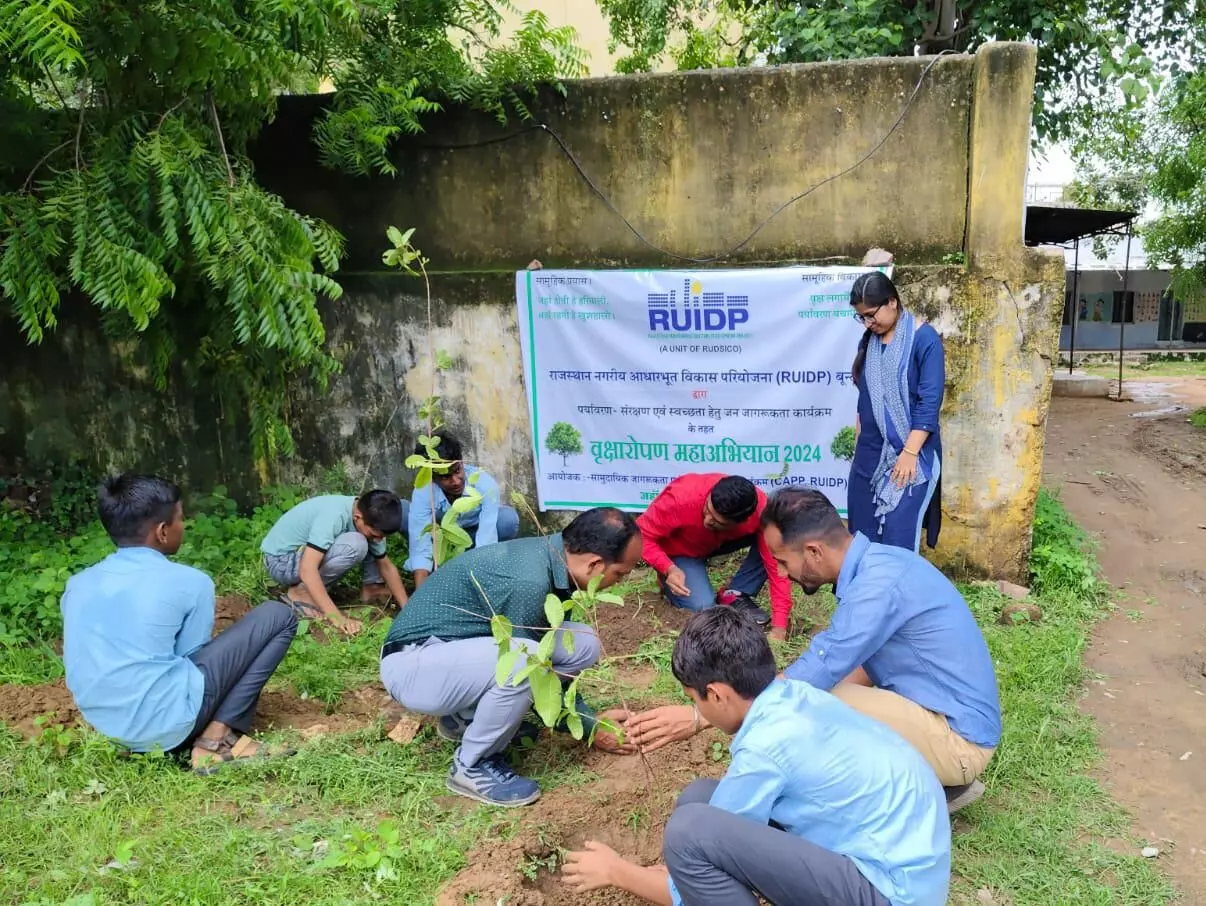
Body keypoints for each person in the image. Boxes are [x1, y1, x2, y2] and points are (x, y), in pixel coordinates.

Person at [561, 606, 950, 906]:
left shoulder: (766, 746)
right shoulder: (795, 696)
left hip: (891, 892)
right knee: (698, 799)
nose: (698, 711)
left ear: (716, 694)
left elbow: (688, 875)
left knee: (688, 832)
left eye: (693, 700)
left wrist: (616, 871)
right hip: (900, 862)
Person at [380, 508, 640, 807]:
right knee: (524, 661)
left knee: (582, 641)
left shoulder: (551, 558)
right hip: (414, 666)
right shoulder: (528, 581)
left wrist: (585, 720)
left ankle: (463, 720)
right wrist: (588, 727)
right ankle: (472, 765)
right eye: (620, 573)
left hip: (447, 655)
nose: (620, 581)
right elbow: (533, 662)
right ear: (594, 564)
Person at [763, 488, 1001, 812]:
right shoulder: (881, 564)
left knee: (812, 701)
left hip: (960, 742)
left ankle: (917, 790)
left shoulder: (876, 589)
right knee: (822, 693)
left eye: (781, 561)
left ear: (814, 551)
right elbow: (856, 664)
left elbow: (823, 664)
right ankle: (913, 780)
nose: (780, 573)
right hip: (943, 716)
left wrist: (711, 714)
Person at [61, 474, 298, 773]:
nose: (183, 527)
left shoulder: (78, 584)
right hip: (167, 727)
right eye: (180, 519)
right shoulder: (191, 582)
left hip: (107, 728)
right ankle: (216, 739)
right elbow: (190, 660)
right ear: (162, 531)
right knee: (278, 616)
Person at [848, 271, 945, 553]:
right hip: (870, 455)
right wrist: (858, 449)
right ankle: (865, 595)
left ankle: (897, 595)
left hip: (911, 456)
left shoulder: (924, 340)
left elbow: (929, 403)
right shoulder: (869, 341)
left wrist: (910, 453)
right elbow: (864, 401)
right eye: (861, 317)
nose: (867, 323)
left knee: (896, 541)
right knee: (861, 538)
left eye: (870, 314)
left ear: (892, 302)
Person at [636, 473, 791, 634]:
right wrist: (668, 567)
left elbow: (776, 565)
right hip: (680, 550)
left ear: (741, 521)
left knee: (772, 541)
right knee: (702, 607)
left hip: (721, 542)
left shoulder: (761, 513)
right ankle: (672, 578)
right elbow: (640, 536)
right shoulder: (680, 499)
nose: (707, 520)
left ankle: (734, 593)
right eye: (707, 510)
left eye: (717, 521)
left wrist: (779, 626)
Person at [260, 489, 408, 635]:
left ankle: (370, 589)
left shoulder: (367, 517)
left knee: (364, 541)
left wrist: (408, 610)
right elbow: (307, 569)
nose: (379, 540)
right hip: (281, 562)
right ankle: (300, 593)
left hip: (301, 558)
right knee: (357, 544)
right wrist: (337, 618)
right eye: (374, 534)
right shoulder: (334, 515)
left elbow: (386, 565)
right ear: (358, 517)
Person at [405, 432, 519, 590]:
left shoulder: (484, 484)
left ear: (462, 462)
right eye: (445, 477)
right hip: (441, 537)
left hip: (473, 535)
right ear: (433, 476)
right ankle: (439, 567)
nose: (455, 481)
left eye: (457, 471)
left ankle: (469, 563)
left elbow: (486, 538)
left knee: (507, 519)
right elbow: (420, 542)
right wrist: (420, 593)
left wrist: (480, 582)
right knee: (405, 513)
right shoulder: (424, 490)